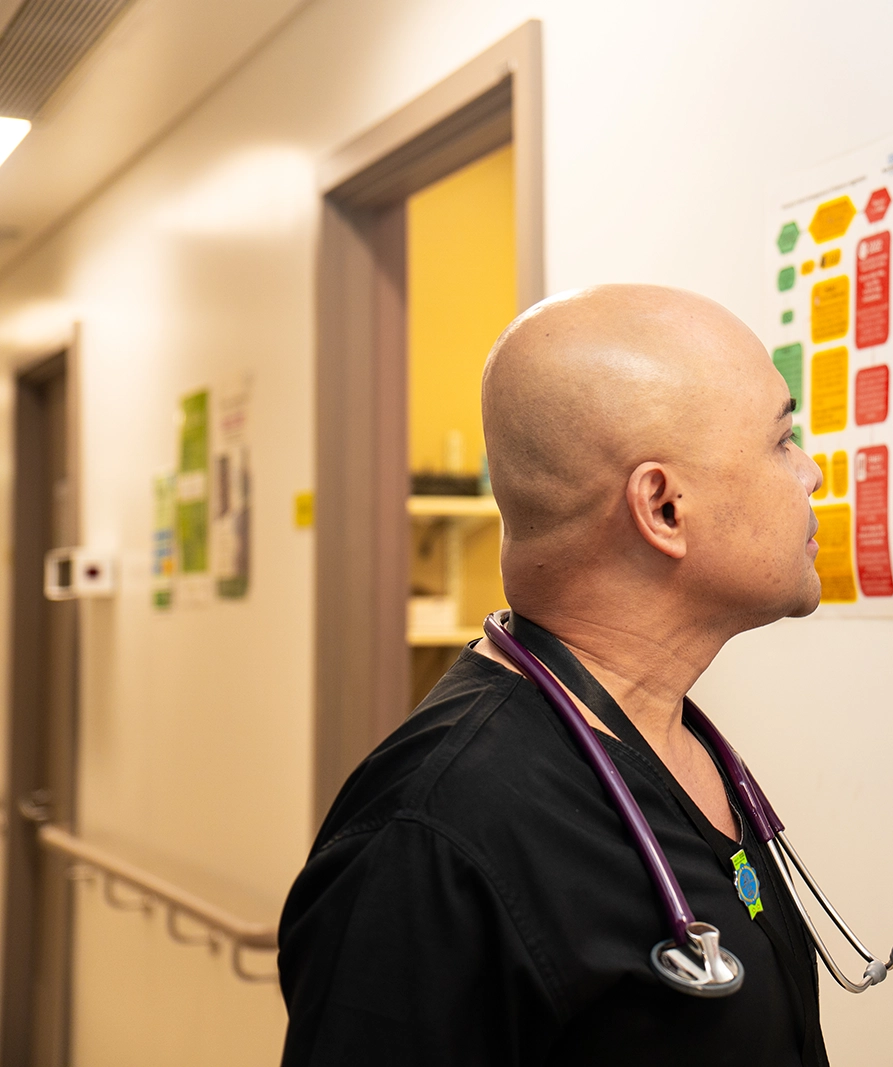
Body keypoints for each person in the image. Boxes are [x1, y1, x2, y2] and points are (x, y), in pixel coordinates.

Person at [278, 285, 830, 1066]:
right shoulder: (430, 839)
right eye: (783, 440)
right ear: (664, 508)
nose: (811, 473)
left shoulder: (674, 744)